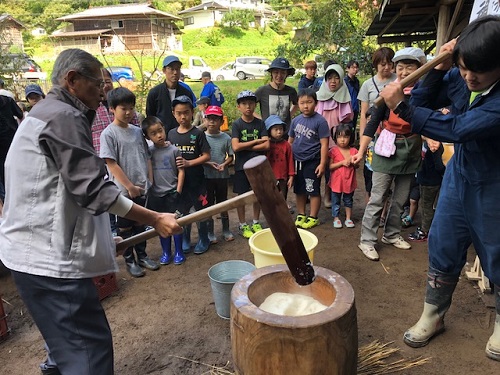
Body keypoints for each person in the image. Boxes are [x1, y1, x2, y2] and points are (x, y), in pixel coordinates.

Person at [0, 48, 181, 375]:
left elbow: (54, 194)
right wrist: (154, 218)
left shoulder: (41, 114)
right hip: (51, 265)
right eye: (97, 84)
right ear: (72, 80)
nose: (103, 91)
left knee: (62, 345)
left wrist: (103, 238)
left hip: (26, 258)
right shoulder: (63, 116)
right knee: (88, 352)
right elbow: (93, 191)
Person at [377, 16, 500, 360]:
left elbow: (458, 128)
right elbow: (428, 102)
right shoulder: (463, 74)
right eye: (463, 69)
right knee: (443, 240)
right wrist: (437, 69)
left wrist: (400, 106)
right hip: (460, 174)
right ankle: (433, 314)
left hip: (494, 182)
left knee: (497, 250)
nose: (469, 78)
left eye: (478, 71)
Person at [353, 46, 426, 261]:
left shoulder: (424, 94)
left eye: (409, 67)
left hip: (410, 149)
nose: (403, 72)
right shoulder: (389, 92)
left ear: (420, 69)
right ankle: (366, 240)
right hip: (386, 149)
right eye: (400, 67)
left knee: (401, 198)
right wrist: (361, 150)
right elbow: (372, 122)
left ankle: (391, 234)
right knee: (378, 196)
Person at [100, 87, 160, 277]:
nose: (128, 112)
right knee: (125, 227)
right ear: (112, 109)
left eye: (131, 108)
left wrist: (149, 179)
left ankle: (142, 255)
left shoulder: (136, 131)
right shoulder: (108, 134)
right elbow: (111, 164)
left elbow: (147, 156)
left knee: (140, 223)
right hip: (123, 192)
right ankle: (130, 260)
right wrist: (129, 187)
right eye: (123, 108)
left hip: (141, 187)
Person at [168, 95, 212, 255]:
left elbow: (207, 155)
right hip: (180, 183)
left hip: (197, 180)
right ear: (173, 113)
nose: (183, 117)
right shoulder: (171, 134)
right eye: (179, 113)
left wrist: (188, 163)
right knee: (182, 211)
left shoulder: (198, 133)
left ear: (192, 112)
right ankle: (185, 239)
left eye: (186, 112)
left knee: (200, 210)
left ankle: (204, 238)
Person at [357, 47, 397, 220]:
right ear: (376, 65)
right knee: (371, 174)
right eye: (383, 64)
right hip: (374, 137)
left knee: (389, 174)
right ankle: (371, 211)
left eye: (389, 63)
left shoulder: (399, 80)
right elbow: (364, 115)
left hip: (394, 135)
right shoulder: (368, 85)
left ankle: (383, 214)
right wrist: (362, 144)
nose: (387, 67)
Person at [142, 116, 186, 265]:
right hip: (157, 195)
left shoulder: (174, 150)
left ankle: (179, 251)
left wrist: (178, 191)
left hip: (172, 192)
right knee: (161, 225)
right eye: (153, 133)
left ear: (164, 128)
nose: (159, 135)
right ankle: (166, 252)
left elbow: (181, 171)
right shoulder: (149, 152)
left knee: (176, 223)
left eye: (160, 131)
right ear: (147, 137)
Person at [288, 88, 330, 229]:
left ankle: (313, 216)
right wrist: (288, 161)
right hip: (296, 161)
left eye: (309, 102)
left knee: (313, 189)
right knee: (299, 189)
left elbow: (325, 144)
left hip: (312, 161)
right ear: (298, 104)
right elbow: (290, 141)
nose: (306, 106)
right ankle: (301, 214)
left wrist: (322, 163)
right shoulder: (295, 121)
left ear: (316, 103)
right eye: (302, 103)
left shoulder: (320, 121)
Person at [231, 90, 269, 238]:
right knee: (241, 196)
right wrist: (255, 142)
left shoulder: (260, 123)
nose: (248, 106)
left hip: (258, 165)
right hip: (241, 166)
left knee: (257, 194)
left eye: (251, 103)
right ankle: (242, 224)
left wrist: (245, 145)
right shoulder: (237, 124)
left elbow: (266, 145)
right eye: (244, 103)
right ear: (239, 107)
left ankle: (255, 221)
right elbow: (235, 147)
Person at [316, 64, 354, 208]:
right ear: (325, 79)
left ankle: (329, 194)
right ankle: (313, 194)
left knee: (331, 167)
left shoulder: (345, 96)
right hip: (320, 137)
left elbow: (347, 120)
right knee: (319, 164)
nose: (333, 81)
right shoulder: (319, 96)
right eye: (330, 78)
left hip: (336, 139)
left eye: (336, 78)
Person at [203, 105, 235, 242]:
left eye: (215, 119)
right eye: (209, 118)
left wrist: (224, 164)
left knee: (223, 203)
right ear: (205, 120)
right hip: (206, 176)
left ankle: (226, 229)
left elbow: (231, 156)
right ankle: (210, 232)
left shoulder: (226, 137)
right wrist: (208, 163)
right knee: (208, 204)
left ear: (222, 122)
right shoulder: (202, 137)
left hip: (222, 176)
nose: (212, 122)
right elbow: (199, 156)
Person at [146, 55, 197, 133]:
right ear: (164, 70)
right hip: (162, 136)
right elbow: (150, 117)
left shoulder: (186, 92)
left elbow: (191, 113)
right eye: (172, 69)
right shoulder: (155, 93)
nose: (175, 72)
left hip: (182, 135)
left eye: (177, 69)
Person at [408, 138, 445, 242]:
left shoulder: (434, 146)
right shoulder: (423, 144)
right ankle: (427, 228)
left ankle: (425, 231)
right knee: (426, 205)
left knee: (427, 206)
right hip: (424, 179)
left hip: (430, 181)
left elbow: (439, 166)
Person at [255, 57, 298, 132]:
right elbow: (249, 105)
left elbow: (296, 104)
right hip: (268, 132)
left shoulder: (291, 91)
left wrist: (289, 116)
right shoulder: (262, 91)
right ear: (271, 73)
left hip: (286, 132)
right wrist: (262, 120)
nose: (279, 75)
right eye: (276, 72)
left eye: (283, 72)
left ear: (286, 74)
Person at [329, 123, 358, 229]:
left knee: (348, 199)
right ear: (335, 137)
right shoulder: (333, 151)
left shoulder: (354, 151)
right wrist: (342, 163)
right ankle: (336, 218)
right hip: (337, 182)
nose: (342, 140)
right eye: (339, 136)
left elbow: (357, 165)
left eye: (345, 137)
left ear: (350, 137)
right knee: (335, 200)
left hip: (349, 181)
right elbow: (330, 166)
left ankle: (348, 218)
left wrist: (353, 163)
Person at [264, 114, 295, 211]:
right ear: (269, 131)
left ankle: (282, 212)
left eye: (280, 129)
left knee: (283, 196)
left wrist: (291, 176)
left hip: (283, 176)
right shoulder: (266, 145)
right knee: (271, 196)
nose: (279, 132)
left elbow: (290, 160)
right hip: (270, 176)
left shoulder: (286, 145)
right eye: (276, 129)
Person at [0, 94, 22, 202]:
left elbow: (20, 115)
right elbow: (20, 115)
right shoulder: (7, 101)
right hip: (10, 142)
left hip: (10, 142)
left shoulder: (8, 101)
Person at [344, 60, 360, 128]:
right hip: (347, 109)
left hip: (355, 108)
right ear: (347, 69)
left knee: (353, 127)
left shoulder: (356, 81)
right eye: (353, 67)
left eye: (356, 67)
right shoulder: (344, 81)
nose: (355, 69)